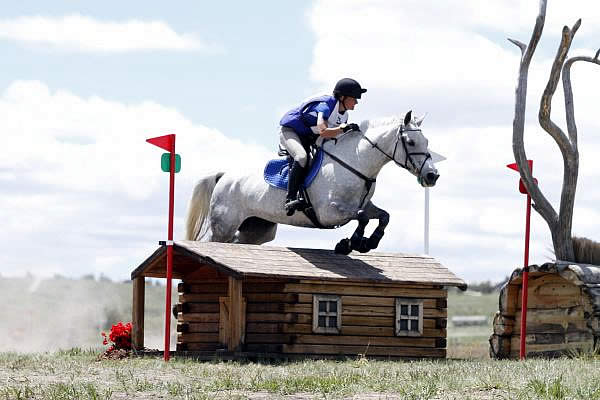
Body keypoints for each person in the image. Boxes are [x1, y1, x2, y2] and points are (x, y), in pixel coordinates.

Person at [278, 78, 367, 216]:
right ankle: (290, 198)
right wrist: (343, 129)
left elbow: (332, 137)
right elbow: (323, 131)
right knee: (302, 157)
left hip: (310, 137)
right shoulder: (325, 106)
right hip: (291, 131)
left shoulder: (344, 116)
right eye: (354, 98)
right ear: (342, 97)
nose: (356, 101)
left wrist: (349, 133)